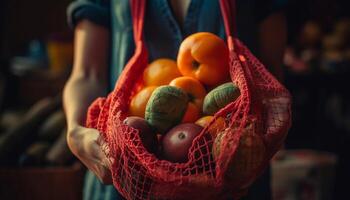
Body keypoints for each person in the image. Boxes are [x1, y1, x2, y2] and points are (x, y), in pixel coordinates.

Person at [63, 0, 287, 199]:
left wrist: (255, 147)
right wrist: (75, 131)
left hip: (230, 171)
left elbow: (270, 72)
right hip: (123, 179)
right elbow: (87, 74)